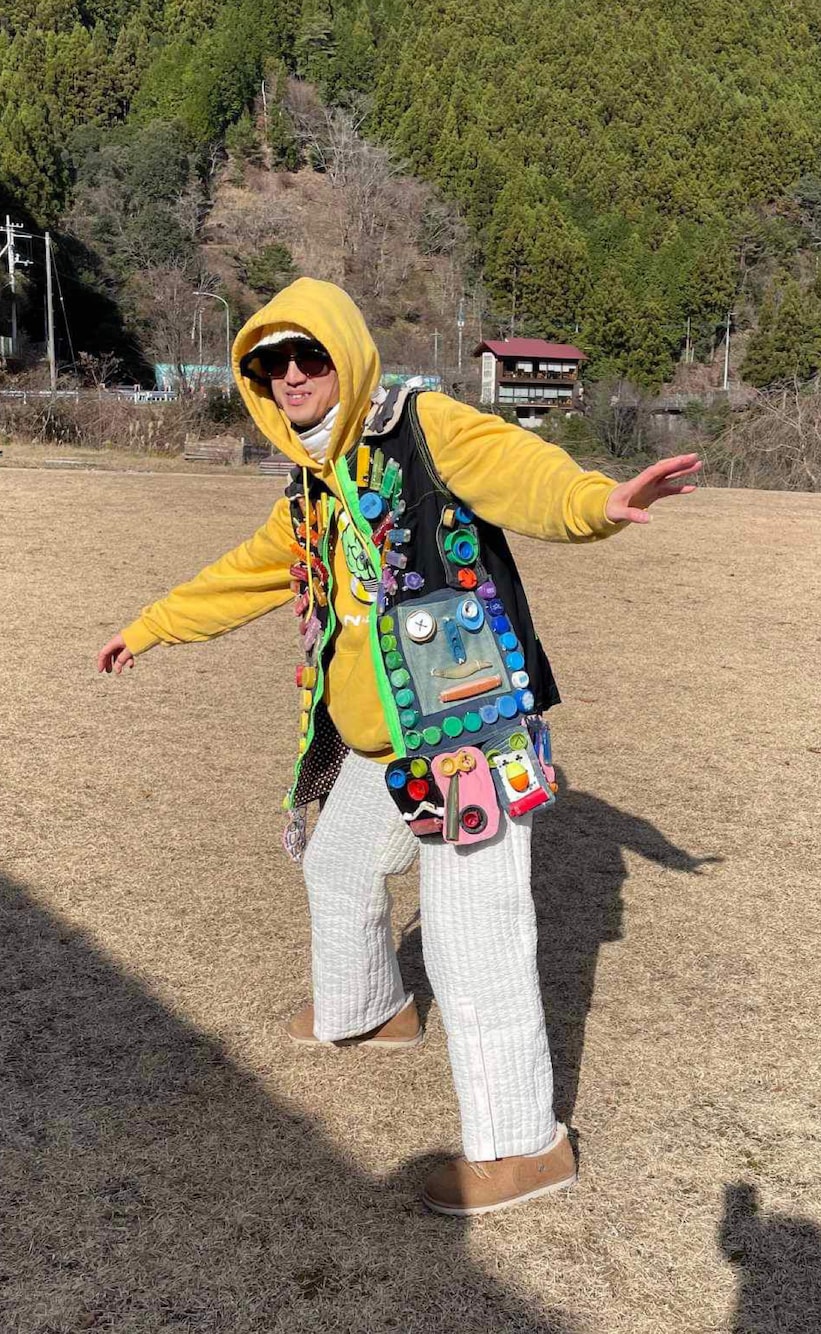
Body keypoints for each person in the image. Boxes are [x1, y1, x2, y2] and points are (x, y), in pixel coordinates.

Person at [98, 278, 700, 1216]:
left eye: (309, 355)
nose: (291, 376)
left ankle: (525, 1145)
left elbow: (525, 472)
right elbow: (251, 572)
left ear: (346, 354)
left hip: (467, 736)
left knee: (472, 939)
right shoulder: (309, 483)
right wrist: (150, 627)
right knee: (337, 864)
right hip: (379, 745)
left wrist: (596, 501)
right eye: (270, 363)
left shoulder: (426, 425)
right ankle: (372, 1009)